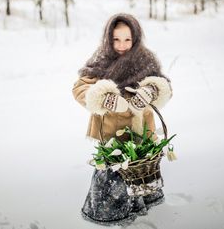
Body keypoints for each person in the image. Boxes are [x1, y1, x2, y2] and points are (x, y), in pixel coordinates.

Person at [72, 13, 173, 224]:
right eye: (116, 39)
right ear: (109, 38)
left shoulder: (145, 59)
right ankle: (110, 215)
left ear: (135, 38)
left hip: (140, 132)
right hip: (110, 134)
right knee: (112, 175)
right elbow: (80, 88)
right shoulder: (101, 59)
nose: (122, 45)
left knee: (139, 173)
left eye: (127, 39)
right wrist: (104, 99)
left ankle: (138, 213)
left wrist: (151, 91)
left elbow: (164, 87)